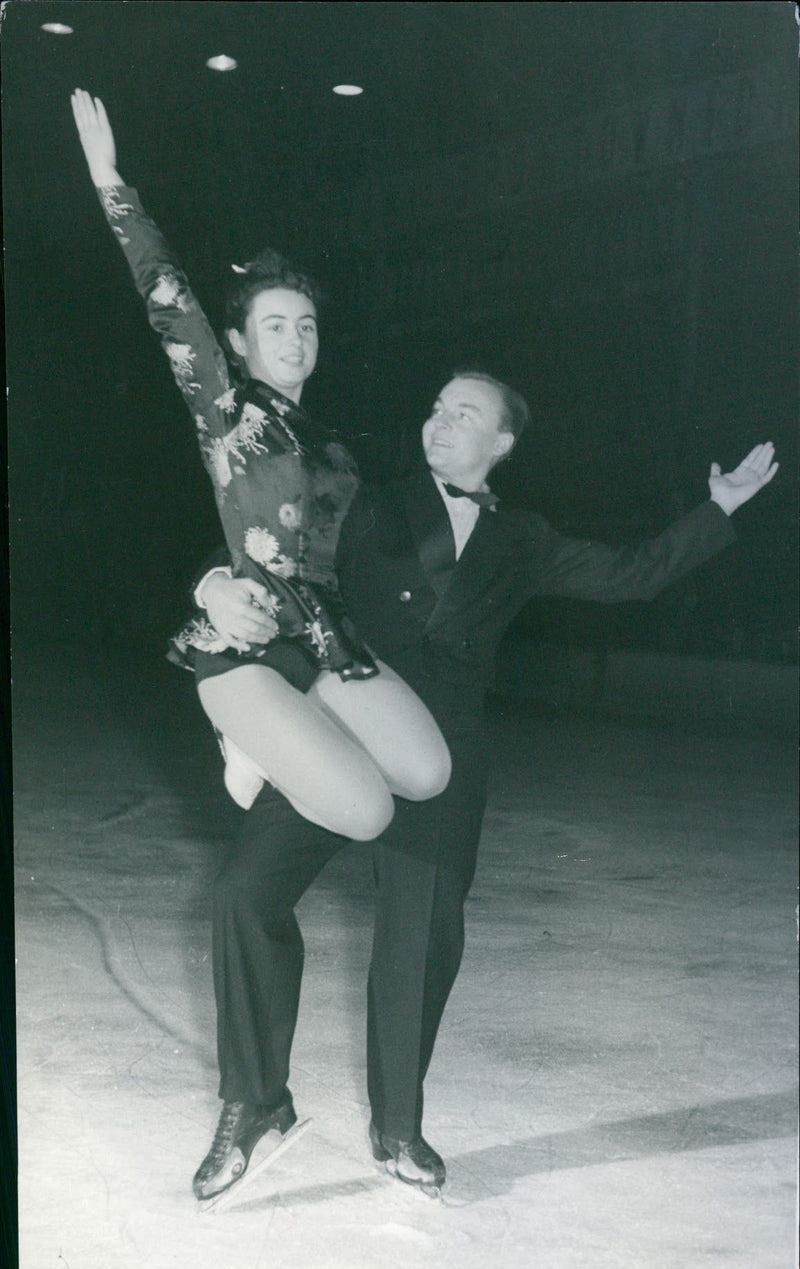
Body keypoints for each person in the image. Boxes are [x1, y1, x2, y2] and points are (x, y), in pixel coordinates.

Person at [195, 369, 777, 1200]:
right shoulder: (368, 499)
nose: (440, 421)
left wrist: (717, 509)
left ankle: (398, 1127)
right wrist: (212, 583)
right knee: (245, 892)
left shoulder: (526, 536)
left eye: (464, 413)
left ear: (501, 442)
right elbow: (268, 541)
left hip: (446, 755)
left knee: (421, 935)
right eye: (435, 406)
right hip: (347, 724)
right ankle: (254, 1102)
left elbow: (633, 572)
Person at [70, 89, 451, 840]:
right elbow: (168, 298)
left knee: (427, 773)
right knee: (368, 813)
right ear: (239, 344)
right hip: (242, 642)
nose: (295, 337)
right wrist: (111, 184)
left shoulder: (335, 444)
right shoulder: (225, 406)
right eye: (274, 324)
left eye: (307, 325)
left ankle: (302, 726)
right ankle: (243, 732)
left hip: (325, 635)